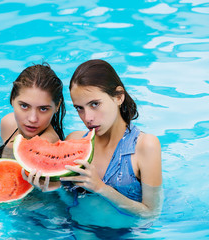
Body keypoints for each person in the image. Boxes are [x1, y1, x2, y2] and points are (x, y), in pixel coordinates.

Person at [24, 59, 163, 226]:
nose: (87, 118)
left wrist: (101, 188)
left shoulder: (146, 146)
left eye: (95, 104)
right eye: (79, 108)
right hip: (75, 230)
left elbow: (151, 214)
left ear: (119, 97)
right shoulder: (74, 141)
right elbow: (69, 201)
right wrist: (52, 189)